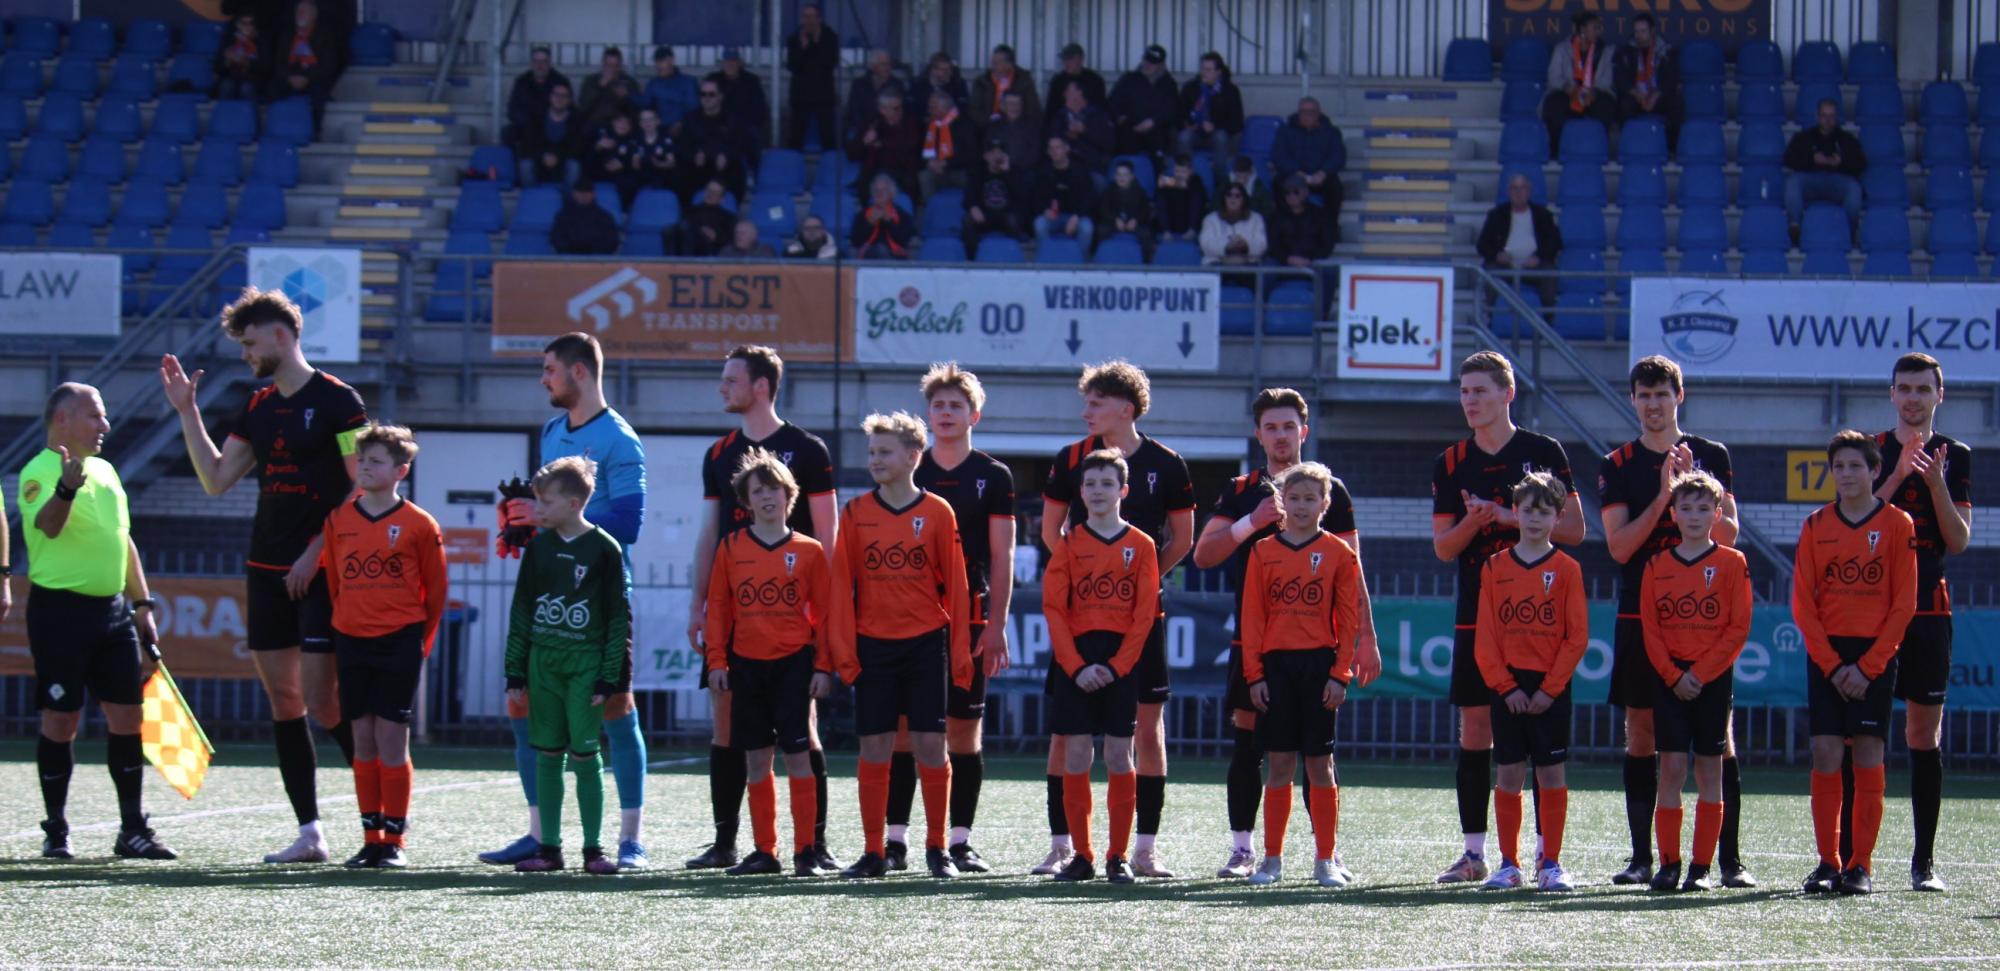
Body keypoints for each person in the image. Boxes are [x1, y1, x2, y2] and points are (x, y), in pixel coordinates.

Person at [160, 289, 369, 865]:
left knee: (325, 700)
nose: (246, 354)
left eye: (251, 343)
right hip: (266, 567)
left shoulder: (339, 401)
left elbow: (361, 487)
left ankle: (380, 820)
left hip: (323, 570)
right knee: (284, 700)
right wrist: (187, 411)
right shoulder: (256, 406)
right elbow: (215, 479)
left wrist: (316, 552)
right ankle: (310, 834)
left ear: (282, 335)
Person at [1191, 389, 1380, 879]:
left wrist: (1366, 638)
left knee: (1319, 752)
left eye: (1288, 426)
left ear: (1304, 431)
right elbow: (1204, 555)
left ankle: (1326, 852)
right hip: (1258, 642)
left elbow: (1353, 569)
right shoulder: (1242, 489)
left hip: (1317, 647)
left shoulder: (1329, 489)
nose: (1280, 436)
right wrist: (1249, 523)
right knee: (1250, 741)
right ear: (1258, 434)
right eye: (1271, 427)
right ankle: (1244, 849)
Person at [482, 333, 654, 869]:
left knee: (617, 709)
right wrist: (518, 522)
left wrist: (550, 516)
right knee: (523, 704)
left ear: (580, 372)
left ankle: (630, 840)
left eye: (550, 369)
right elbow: (548, 510)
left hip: (602, 599)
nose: (544, 380)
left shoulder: (620, 440)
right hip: (550, 594)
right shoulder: (552, 431)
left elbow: (628, 523)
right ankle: (540, 834)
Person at [1429, 351, 1584, 885]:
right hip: (1480, 614)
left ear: (1507, 393)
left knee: (1541, 746)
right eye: (1464, 392)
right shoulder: (1451, 461)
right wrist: (1476, 523)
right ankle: (1475, 854)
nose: (1470, 401)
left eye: (1480, 391)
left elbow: (1576, 530)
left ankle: (1546, 858)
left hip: (1537, 620)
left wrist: (1505, 515)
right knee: (1476, 729)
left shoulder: (1544, 451)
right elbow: (1444, 548)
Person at [687, 345, 840, 873]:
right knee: (728, 729)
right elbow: (709, 533)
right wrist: (697, 603)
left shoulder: (808, 449)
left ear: (761, 386)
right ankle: (730, 843)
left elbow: (829, 536)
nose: (722, 387)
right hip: (737, 618)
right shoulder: (718, 453)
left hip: (794, 623)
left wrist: (828, 630)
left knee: (804, 734)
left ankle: (813, 845)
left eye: (731, 379)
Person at [1038, 361, 1194, 879]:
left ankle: (1140, 849)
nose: (1086, 412)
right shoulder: (1069, 459)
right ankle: (1066, 846)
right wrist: (1090, 571)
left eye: (1095, 403)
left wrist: (1134, 580)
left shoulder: (1167, 464)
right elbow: (1052, 536)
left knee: (1143, 734)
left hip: (1136, 624)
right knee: (1068, 741)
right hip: (1080, 628)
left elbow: (1182, 539)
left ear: (1125, 409)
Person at [1597, 355, 1745, 888]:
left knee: (1718, 739)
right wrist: (1665, 493)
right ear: (1633, 400)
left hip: (1703, 620)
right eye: (1644, 395)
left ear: (1679, 396)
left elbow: (1730, 534)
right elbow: (1619, 547)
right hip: (1644, 617)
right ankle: (1644, 858)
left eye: (1662, 394)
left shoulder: (1712, 454)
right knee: (1641, 733)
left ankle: (1727, 860)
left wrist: (1691, 488)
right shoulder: (1618, 463)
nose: (1653, 404)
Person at [22, 383, 175, 862]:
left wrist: (142, 603)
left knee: (128, 716)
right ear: (62, 420)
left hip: (112, 613)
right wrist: (66, 488)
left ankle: (132, 829)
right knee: (61, 719)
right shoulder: (37, 471)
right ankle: (56, 830)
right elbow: (48, 526)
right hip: (59, 613)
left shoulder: (107, 471)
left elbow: (122, 539)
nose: (105, 426)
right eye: (95, 416)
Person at [826, 412, 971, 880]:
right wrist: (843, 653)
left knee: (931, 745)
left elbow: (958, 588)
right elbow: (839, 587)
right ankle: (874, 851)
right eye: (871, 452)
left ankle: (937, 848)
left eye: (884, 452)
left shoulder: (938, 512)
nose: (875, 460)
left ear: (913, 456)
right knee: (874, 748)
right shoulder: (855, 513)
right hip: (874, 647)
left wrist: (960, 654)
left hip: (925, 644)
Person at [1794, 431, 1917, 897]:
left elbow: (1903, 603)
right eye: (1839, 466)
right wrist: (1831, 665)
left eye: (1855, 466)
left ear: (1875, 471)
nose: (1846, 474)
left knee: (1868, 752)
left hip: (1874, 657)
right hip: (1828, 656)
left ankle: (1860, 865)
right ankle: (1828, 862)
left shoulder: (1898, 524)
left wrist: (1868, 667)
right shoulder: (1815, 524)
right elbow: (1803, 603)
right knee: (1825, 752)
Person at [320, 424, 446, 870]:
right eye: (362, 460)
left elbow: (435, 591)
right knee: (363, 738)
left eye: (375, 461)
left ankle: (394, 840)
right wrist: (346, 624)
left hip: (399, 641)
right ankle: (370, 838)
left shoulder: (420, 524)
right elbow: (335, 582)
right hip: (352, 639)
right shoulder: (338, 520)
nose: (365, 467)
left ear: (400, 471)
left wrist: (419, 642)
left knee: (392, 739)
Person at [704, 449, 834, 877]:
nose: (766, 497)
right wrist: (716, 661)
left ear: (789, 496)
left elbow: (825, 614)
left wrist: (823, 666)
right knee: (757, 759)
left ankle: (806, 851)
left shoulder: (810, 551)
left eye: (774, 489)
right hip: (746, 667)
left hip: (794, 666)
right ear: (746, 501)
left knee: (799, 756)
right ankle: (765, 851)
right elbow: (719, 608)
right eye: (758, 491)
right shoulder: (731, 547)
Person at [1871, 352, 1971, 893]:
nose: (1913, 398)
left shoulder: (1957, 455)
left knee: (1921, 733)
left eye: (1922, 389)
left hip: (1929, 609)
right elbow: (1853, 523)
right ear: (1892, 394)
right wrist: (1897, 476)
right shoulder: (1870, 450)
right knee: (1862, 735)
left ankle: (1923, 861)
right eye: (1904, 388)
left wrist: (1935, 485)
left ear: (1939, 395)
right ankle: (1851, 861)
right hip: (1870, 608)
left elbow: (1958, 540)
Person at [504, 457, 632, 876]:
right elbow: (522, 610)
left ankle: (593, 850)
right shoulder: (538, 548)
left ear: (574, 503)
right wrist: (515, 669)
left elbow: (617, 618)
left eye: (546, 501)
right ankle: (549, 849)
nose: (537, 508)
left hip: (585, 665)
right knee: (547, 753)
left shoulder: (605, 549)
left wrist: (608, 676)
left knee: (585, 753)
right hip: (543, 664)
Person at [1241, 462, 1363, 889]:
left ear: (1325, 503)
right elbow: (1252, 617)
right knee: (1278, 764)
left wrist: (1340, 674)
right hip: (1276, 668)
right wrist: (1255, 675)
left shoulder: (1339, 553)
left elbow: (1348, 620)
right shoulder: (1262, 551)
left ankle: (1325, 859)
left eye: (1311, 498)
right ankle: (1271, 860)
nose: (1301, 505)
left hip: (1319, 667)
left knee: (1319, 764)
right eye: (1293, 498)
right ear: (1281, 502)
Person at [1042, 449, 1157, 885]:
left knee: (1118, 754)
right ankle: (1083, 855)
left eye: (1107, 483)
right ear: (1080, 491)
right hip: (1077, 662)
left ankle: (1118, 855)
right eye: (1090, 484)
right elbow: (1054, 609)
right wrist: (1075, 667)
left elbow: (1144, 615)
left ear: (1123, 490)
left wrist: (1117, 666)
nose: (1097, 491)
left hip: (1119, 665)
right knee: (1075, 754)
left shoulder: (1141, 545)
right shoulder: (1069, 544)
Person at [1474, 472, 1587, 893]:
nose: (1535, 519)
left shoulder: (1568, 569)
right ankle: (1509, 864)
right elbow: (1486, 637)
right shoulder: (1494, 567)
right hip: (1509, 689)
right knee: (1508, 773)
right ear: (1515, 513)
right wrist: (1505, 686)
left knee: (1552, 774)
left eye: (1544, 511)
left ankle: (1551, 863)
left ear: (1558, 517)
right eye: (1528, 510)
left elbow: (1577, 637)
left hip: (1548, 689)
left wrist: (1548, 689)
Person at [1639, 471, 1749, 893]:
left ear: (1718, 514)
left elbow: (1737, 628)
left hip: (1711, 680)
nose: (1694, 515)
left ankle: (1701, 868)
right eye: (1685, 508)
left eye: (1703, 508)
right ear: (1673, 514)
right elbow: (1651, 630)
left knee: (1709, 770)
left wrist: (1699, 674)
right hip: (1670, 681)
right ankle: (1668, 864)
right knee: (1671, 769)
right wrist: (1673, 675)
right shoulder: (1656, 565)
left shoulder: (1733, 563)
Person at [1476, 173, 1562, 306]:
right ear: (1509, 192)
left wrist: (1539, 258)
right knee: (1491, 271)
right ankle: (1493, 314)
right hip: (1505, 266)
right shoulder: (1496, 215)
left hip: (1534, 266)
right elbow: (1482, 245)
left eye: (1523, 188)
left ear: (1529, 191)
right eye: (1515, 188)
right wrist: (1497, 255)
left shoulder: (1543, 215)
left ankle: (1547, 315)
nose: (1519, 192)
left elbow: (1555, 243)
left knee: (1549, 272)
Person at [1783, 98, 1865, 237]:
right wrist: (1811, 159)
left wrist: (1841, 162)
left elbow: (1861, 163)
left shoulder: (1847, 139)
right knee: (1792, 182)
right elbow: (1788, 159)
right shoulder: (1804, 138)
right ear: (1817, 116)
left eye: (1831, 116)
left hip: (1838, 181)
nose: (1827, 120)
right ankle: (1795, 226)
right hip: (1810, 180)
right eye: (1824, 116)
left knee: (1854, 188)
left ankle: (1849, 232)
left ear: (1836, 117)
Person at [1540, 12, 1616, 156]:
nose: (1598, 32)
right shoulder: (1562, 49)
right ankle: (1557, 150)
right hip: (1569, 94)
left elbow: (1607, 80)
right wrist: (1567, 87)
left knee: (1606, 105)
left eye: (1599, 28)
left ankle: (1600, 150)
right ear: (1582, 29)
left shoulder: (1605, 50)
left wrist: (1594, 91)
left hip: (1593, 95)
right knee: (1554, 104)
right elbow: (1553, 77)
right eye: (1595, 28)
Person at [1270, 97, 1345, 234]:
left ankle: (1330, 229)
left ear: (1318, 113)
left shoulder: (1332, 132)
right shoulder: (1285, 131)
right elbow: (1279, 156)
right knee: (1278, 184)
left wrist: (1323, 172)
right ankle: (1284, 228)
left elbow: (1338, 156)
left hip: (1321, 177)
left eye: (1311, 112)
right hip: (1294, 175)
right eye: (1303, 112)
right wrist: (1297, 173)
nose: (1307, 115)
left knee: (1335, 189)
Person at [267, 0, 342, 134]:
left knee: (319, 96)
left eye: (304, 12)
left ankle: (315, 132)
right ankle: (276, 130)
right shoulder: (287, 35)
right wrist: (290, 77)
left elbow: (328, 65)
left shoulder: (325, 36)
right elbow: (278, 63)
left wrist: (307, 78)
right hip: (290, 78)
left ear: (314, 16)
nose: (299, 14)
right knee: (272, 90)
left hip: (313, 79)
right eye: (298, 12)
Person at [1613, 13, 1681, 146]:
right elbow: (1620, 78)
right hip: (1637, 97)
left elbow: (1672, 79)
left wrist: (1656, 95)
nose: (1639, 36)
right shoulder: (1626, 52)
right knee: (1624, 105)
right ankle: (1629, 145)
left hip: (1658, 97)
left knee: (1677, 103)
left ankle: (1671, 148)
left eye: (1643, 31)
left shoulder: (1666, 51)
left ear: (1652, 31)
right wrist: (1635, 93)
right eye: (1636, 32)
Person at [678, 80, 749, 201]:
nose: (707, 98)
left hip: (724, 167)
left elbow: (740, 145)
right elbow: (684, 145)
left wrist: (727, 156)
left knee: (736, 172)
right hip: (698, 167)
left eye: (711, 94)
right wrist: (694, 155)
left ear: (720, 96)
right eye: (703, 94)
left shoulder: (733, 119)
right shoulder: (690, 118)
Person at [845, 90, 923, 200]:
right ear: (883, 110)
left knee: (910, 183)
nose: (900, 111)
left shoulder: (911, 122)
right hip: (875, 170)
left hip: (903, 170)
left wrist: (882, 144)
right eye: (896, 108)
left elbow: (911, 146)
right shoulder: (872, 122)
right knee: (865, 182)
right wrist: (864, 142)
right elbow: (851, 154)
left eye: (901, 107)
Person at [784, 4, 841, 150]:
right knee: (796, 137)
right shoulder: (794, 38)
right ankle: (794, 161)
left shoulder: (831, 37)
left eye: (812, 17)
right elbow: (792, 66)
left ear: (819, 19)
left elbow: (831, 62)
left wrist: (816, 43)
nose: (809, 21)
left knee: (827, 136)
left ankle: (829, 162)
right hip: (801, 95)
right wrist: (803, 48)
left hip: (823, 95)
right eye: (806, 17)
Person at [1177, 52, 1242, 172]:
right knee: (1184, 137)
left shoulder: (1230, 91)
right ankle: (1187, 175)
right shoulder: (1190, 88)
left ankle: (1219, 178)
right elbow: (1179, 113)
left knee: (1220, 137)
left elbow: (1237, 122)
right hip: (1195, 132)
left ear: (1218, 72)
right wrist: (1188, 124)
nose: (1203, 73)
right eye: (1202, 69)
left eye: (1208, 70)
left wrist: (1215, 126)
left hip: (1218, 133)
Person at [1110, 44, 1179, 158]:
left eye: (1152, 63)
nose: (1147, 65)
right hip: (1129, 127)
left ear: (1161, 65)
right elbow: (1113, 101)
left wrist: (1153, 122)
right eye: (1146, 60)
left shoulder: (1169, 85)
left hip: (1156, 129)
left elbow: (1172, 110)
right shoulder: (1129, 79)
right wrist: (1120, 116)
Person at [962, 140, 1031, 253]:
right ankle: (973, 257)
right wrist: (973, 207)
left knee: (1014, 220)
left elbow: (1022, 196)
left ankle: (1013, 254)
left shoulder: (1014, 172)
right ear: (986, 156)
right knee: (967, 220)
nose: (996, 156)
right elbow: (969, 195)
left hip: (1005, 215)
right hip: (984, 216)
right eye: (992, 153)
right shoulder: (977, 172)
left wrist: (1007, 173)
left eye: (999, 153)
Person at [1034, 135, 1098, 254]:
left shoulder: (1080, 170)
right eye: (1051, 148)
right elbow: (1036, 197)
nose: (1054, 151)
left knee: (1087, 228)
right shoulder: (1044, 171)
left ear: (1066, 149)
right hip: (1054, 217)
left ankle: (1079, 259)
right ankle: (1046, 257)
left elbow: (1089, 198)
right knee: (1039, 224)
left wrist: (1076, 217)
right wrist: (1045, 210)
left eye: (1057, 147)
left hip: (1076, 216)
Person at [515, 81, 584, 188]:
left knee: (574, 166)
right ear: (550, 97)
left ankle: (569, 198)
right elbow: (528, 144)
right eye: (556, 95)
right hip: (540, 161)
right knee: (525, 165)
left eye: (564, 96)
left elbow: (577, 148)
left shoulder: (576, 120)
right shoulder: (536, 117)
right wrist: (544, 156)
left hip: (563, 161)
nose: (559, 99)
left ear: (569, 100)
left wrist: (558, 157)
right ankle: (531, 196)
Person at [918, 89, 975, 204]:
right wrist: (930, 163)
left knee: (970, 177)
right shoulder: (929, 125)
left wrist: (946, 163)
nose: (929, 110)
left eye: (933, 108)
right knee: (924, 176)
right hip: (937, 171)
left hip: (958, 171)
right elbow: (920, 149)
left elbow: (971, 154)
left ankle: (969, 209)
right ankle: (932, 209)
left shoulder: (965, 124)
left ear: (945, 109)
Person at [1046, 82, 1115, 175]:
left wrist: (1085, 131)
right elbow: (1051, 136)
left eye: (1068, 91)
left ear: (1080, 93)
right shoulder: (1060, 115)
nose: (1064, 94)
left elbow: (1108, 143)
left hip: (1092, 168)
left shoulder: (1098, 115)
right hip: (1064, 167)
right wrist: (1067, 134)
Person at [707, 47, 770, 150]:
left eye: (734, 61)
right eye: (727, 61)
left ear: (740, 63)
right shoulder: (713, 79)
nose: (730, 65)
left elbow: (760, 109)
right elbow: (706, 105)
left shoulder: (751, 81)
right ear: (722, 63)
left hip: (744, 126)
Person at [508, 46, 571, 144]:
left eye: (543, 61)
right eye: (536, 61)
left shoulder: (561, 81)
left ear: (549, 63)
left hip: (552, 124)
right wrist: (528, 123)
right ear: (531, 63)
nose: (539, 65)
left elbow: (568, 107)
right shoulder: (521, 81)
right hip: (527, 126)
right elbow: (513, 109)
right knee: (508, 133)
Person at [1269, 174, 1335, 266]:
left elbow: (1327, 243)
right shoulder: (1277, 217)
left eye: (1296, 191)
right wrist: (1287, 258)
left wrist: (1310, 259)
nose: (1291, 195)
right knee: (1269, 265)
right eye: (1287, 192)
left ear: (1306, 192)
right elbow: (1273, 245)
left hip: (1314, 262)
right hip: (1284, 262)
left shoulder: (1320, 215)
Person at [844, 49, 905, 145]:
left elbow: (900, 111)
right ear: (873, 66)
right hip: (863, 128)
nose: (887, 68)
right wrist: (865, 130)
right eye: (883, 64)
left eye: (889, 64)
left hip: (888, 128)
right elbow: (854, 111)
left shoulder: (897, 84)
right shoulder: (859, 84)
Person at [1097, 158, 1154, 259]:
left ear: (1132, 176)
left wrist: (1136, 220)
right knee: (1101, 231)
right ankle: (1100, 260)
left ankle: (1146, 263)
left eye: (1125, 175)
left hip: (1134, 224)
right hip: (1113, 223)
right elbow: (1103, 209)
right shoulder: (1108, 191)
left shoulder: (1140, 192)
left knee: (1146, 234)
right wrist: (1115, 219)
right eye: (1118, 174)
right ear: (1115, 176)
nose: (1121, 178)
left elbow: (1145, 211)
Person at [971, 44, 1038, 129]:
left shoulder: (1023, 81)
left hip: (1017, 128)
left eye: (997, 63)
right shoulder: (982, 81)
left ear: (1009, 64)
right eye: (993, 63)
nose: (994, 67)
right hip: (987, 127)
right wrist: (989, 121)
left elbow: (1032, 109)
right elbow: (974, 110)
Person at [850, 173, 914, 260]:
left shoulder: (902, 215)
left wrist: (889, 221)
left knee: (881, 250)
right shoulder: (862, 214)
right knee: (878, 250)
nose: (879, 193)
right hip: (867, 256)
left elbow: (904, 240)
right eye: (876, 190)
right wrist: (869, 223)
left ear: (891, 193)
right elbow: (855, 241)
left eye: (884, 190)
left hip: (895, 258)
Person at [1199, 182, 1266, 265]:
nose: (1233, 198)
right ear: (1224, 198)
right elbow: (1206, 245)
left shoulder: (1256, 218)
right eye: (1229, 195)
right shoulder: (1211, 219)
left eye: (1237, 196)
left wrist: (1246, 245)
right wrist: (1227, 246)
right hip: (1217, 263)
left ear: (1244, 199)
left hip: (1249, 264)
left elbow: (1261, 244)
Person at [549, 180, 620, 255]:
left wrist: (593, 250)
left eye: (587, 192)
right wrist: (572, 250)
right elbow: (557, 239)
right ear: (573, 194)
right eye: (580, 192)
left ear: (593, 194)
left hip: (598, 258)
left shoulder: (605, 217)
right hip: (569, 258)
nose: (583, 195)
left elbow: (611, 241)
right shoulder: (562, 216)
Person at [577, 47, 638, 132]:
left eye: (615, 66)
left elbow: (636, 111)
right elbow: (583, 107)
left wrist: (625, 98)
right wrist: (600, 86)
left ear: (620, 66)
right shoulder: (590, 81)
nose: (612, 69)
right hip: (594, 126)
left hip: (619, 129)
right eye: (608, 65)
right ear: (603, 64)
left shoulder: (629, 83)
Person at [213, 12, 270, 100]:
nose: (248, 26)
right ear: (238, 25)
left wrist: (246, 62)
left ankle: (251, 109)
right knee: (226, 85)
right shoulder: (229, 40)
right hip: (231, 77)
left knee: (246, 88)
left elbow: (265, 68)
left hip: (253, 79)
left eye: (251, 23)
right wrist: (227, 61)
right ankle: (224, 109)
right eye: (244, 23)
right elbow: (218, 67)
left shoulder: (261, 41)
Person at [586, 112, 641, 203]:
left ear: (631, 126)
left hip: (621, 175)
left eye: (627, 123)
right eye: (619, 121)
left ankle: (624, 209)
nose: (622, 125)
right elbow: (587, 160)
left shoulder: (634, 140)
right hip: (599, 172)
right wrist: (597, 147)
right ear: (613, 122)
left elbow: (638, 165)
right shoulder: (602, 134)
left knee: (629, 181)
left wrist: (623, 165)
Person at [671, 180, 737, 257]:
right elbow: (682, 228)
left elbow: (732, 239)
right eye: (709, 190)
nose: (710, 194)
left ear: (722, 199)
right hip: (691, 248)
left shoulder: (729, 218)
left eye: (715, 192)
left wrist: (716, 237)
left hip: (715, 251)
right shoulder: (690, 212)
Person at [987, 90, 1045, 173]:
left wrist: (1011, 165)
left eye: (1018, 103)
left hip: (1024, 173)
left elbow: (1035, 155)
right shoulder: (993, 126)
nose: (1014, 107)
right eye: (1010, 103)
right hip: (997, 171)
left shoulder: (1032, 127)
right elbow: (986, 149)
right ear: (1002, 106)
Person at [1155, 153, 1209, 240]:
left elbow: (1192, 187)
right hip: (1172, 220)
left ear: (1191, 171)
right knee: (1160, 198)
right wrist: (1173, 182)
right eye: (1177, 171)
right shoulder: (1168, 181)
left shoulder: (1196, 181)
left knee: (1196, 197)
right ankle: (1166, 231)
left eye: (1183, 172)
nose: (1179, 175)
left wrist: (1175, 183)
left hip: (1189, 221)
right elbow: (1160, 185)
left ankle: (1191, 230)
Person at [643, 47, 697, 132]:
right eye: (656, 61)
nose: (658, 65)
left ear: (672, 60)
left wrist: (681, 123)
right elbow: (646, 106)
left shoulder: (688, 83)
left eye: (662, 61)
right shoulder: (652, 85)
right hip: (660, 131)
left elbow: (694, 109)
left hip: (685, 130)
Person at [1046, 43, 1107, 113]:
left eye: (1070, 59)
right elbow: (1051, 110)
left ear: (1080, 59)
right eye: (1064, 59)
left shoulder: (1094, 81)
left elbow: (1101, 109)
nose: (1066, 62)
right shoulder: (1058, 81)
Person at [907, 52, 969, 119]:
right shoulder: (918, 85)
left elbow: (962, 108)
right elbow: (913, 110)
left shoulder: (958, 84)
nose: (949, 73)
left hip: (951, 121)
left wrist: (945, 120)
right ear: (933, 70)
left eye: (950, 69)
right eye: (944, 70)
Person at [632, 106, 678, 193]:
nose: (647, 123)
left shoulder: (666, 139)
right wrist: (636, 164)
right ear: (640, 123)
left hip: (661, 171)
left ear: (658, 121)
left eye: (650, 119)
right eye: (643, 120)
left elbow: (672, 162)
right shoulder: (636, 140)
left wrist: (659, 164)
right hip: (643, 172)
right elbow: (635, 162)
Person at [1212, 154, 1274, 218]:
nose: (1241, 181)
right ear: (1234, 173)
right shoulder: (1225, 183)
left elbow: (1267, 210)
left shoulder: (1259, 188)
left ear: (1250, 173)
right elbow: (1215, 204)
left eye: (1244, 177)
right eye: (1238, 177)